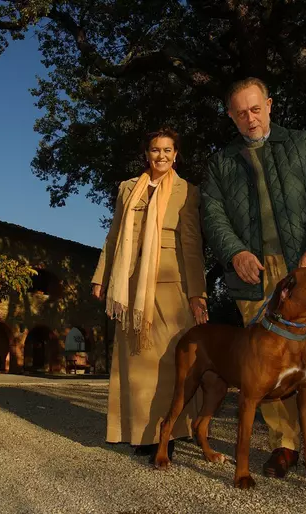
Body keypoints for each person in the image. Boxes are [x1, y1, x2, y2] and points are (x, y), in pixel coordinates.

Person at [199, 77, 306, 487]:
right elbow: (213, 214)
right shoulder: (222, 163)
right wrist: (235, 251)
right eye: (240, 112)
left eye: (255, 109)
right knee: (261, 364)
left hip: (302, 270)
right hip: (253, 273)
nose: (249, 119)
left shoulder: (305, 146)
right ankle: (284, 443)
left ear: (270, 105)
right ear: (230, 115)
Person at [91, 128, 208, 460]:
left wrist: (197, 293)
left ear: (176, 155)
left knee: (170, 362)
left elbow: (192, 245)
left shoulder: (187, 191)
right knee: (136, 362)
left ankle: (169, 432)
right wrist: (101, 276)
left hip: (171, 286)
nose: (162, 156)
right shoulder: (128, 189)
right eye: (156, 150)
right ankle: (141, 433)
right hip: (130, 284)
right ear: (147, 154)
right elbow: (114, 236)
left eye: (168, 151)